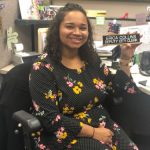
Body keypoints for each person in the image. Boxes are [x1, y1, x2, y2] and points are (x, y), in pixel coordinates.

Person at [29, 3, 140, 150]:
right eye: (69, 26)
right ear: (57, 30)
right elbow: (50, 119)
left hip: (101, 123)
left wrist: (125, 60)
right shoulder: (43, 68)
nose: (77, 32)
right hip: (63, 133)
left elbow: (118, 89)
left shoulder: (91, 60)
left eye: (82, 27)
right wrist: (94, 133)